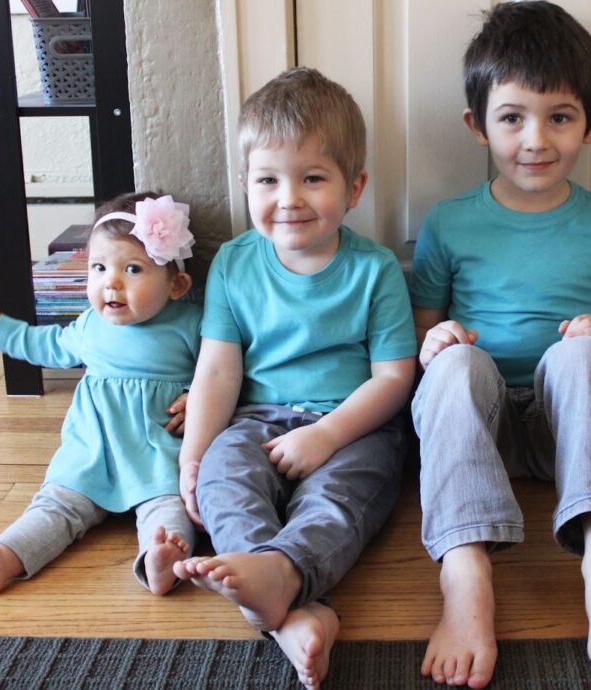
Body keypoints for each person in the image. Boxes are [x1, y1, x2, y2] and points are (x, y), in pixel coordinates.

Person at [409, 3, 591, 687]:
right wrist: (435, 341)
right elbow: (417, 344)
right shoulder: (450, 223)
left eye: (560, 116)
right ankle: (465, 578)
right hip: (476, 433)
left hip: (570, 432)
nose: (536, 139)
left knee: (583, 352)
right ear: (478, 125)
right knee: (457, 361)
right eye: (513, 117)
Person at [172, 67, 416, 689]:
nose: (289, 198)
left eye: (312, 178)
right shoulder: (232, 264)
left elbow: (394, 376)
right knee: (222, 480)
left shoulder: (375, 269)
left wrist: (328, 436)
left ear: (354, 186)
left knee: (339, 499)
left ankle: (282, 578)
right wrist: (194, 457)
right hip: (257, 420)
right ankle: (291, 608)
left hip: (354, 426)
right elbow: (219, 368)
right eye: (268, 180)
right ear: (246, 184)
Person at [0, 192, 201, 597]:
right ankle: (1, 559)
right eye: (98, 268)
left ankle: (159, 559)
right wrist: (4, 333)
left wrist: (197, 395)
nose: (110, 283)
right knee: (55, 506)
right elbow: (51, 345)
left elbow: (225, 371)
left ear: (176, 285)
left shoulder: (189, 325)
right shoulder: (89, 325)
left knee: (170, 508)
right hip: (90, 452)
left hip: (157, 450)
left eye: (132, 269)